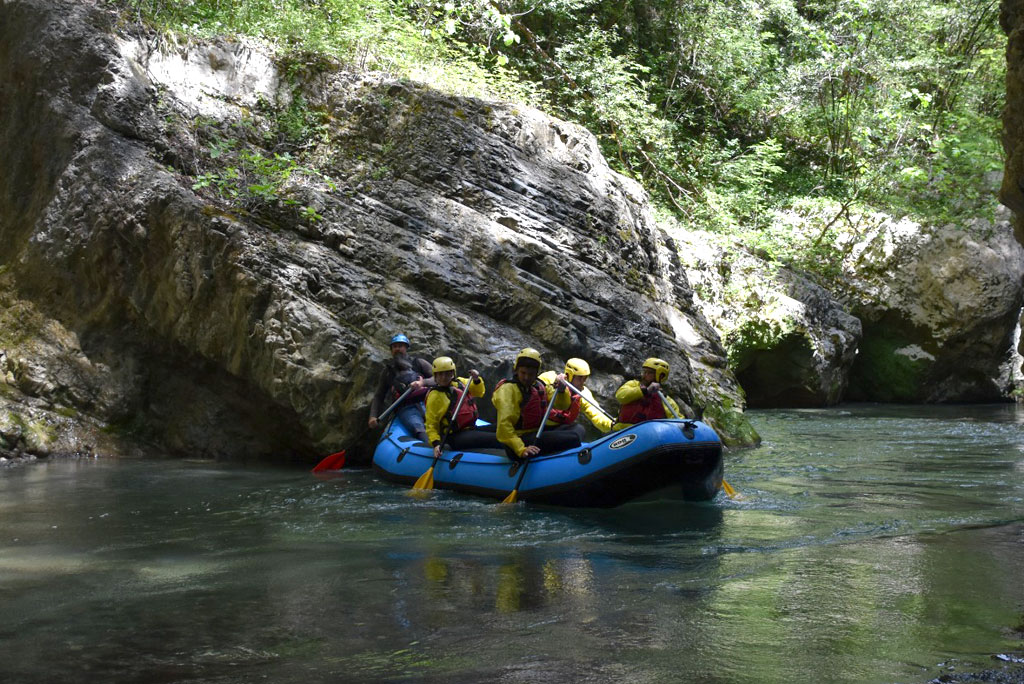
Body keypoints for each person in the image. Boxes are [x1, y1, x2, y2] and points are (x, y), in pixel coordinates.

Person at [492, 348, 582, 460]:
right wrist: (521, 449)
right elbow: (504, 426)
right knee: (572, 438)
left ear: (536, 373)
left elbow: (562, 406)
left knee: (578, 429)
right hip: (519, 441)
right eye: (523, 373)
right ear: (516, 370)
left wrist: (562, 390)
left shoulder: (538, 386)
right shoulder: (508, 390)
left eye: (531, 374)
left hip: (535, 432)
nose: (526, 377)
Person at [424, 356, 500, 455]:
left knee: (501, 427)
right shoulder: (434, 396)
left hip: (470, 428)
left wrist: (476, 379)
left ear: (453, 373)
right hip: (453, 436)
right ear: (435, 375)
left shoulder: (460, 382)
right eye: (440, 374)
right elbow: (431, 425)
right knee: (497, 438)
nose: (443, 377)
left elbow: (479, 392)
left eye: (447, 373)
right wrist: (436, 444)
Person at [368, 333, 433, 442]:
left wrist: (423, 382)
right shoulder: (387, 372)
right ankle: (430, 447)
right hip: (405, 407)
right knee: (416, 426)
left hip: (428, 400)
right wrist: (373, 416)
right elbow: (379, 396)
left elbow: (438, 378)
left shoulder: (418, 363)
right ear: (391, 350)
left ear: (406, 348)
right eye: (394, 347)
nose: (397, 349)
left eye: (400, 346)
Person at [538, 358, 613, 439]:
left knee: (579, 430)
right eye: (580, 378)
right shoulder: (549, 378)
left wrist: (612, 425)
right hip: (539, 426)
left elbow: (596, 414)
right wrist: (556, 386)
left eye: (585, 378)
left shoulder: (583, 393)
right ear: (569, 374)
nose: (583, 381)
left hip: (559, 429)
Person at [613, 357, 684, 430]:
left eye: (649, 373)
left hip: (648, 435)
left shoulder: (666, 400)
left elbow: (678, 421)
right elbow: (620, 396)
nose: (644, 375)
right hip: (622, 432)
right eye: (644, 372)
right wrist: (645, 391)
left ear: (660, 376)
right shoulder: (633, 384)